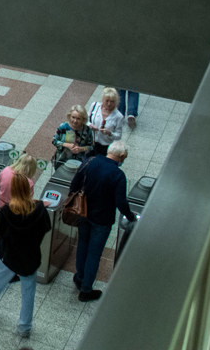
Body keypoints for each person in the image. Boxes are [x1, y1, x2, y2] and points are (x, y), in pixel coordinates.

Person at [0, 173, 52, 339]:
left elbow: (0, 234)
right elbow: (45, 229)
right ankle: (24, 327)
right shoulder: (40, 210)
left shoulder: (7, 211)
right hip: (30, 258)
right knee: (28, 293)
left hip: (8, 257)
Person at [69, 141, 137, 302]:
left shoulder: (89, 162)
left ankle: (80, 277)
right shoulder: (118, 175)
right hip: (102, 219)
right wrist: (130, 216)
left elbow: (74, 185)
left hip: (83, 212)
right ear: (121, 157)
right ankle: (86, 290)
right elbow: (121, 202)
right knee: (94, 253)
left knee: (83, 246)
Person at [87, 87, 124, 157]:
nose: (109, 104)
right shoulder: (94, 106)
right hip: (90, 141)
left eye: (112, 101)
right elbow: (86, 120)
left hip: (105, 146)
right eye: (107, 101)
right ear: (103, 99)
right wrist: (90, 125)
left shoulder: (118, 116)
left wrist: (109, 133)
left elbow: (118, 136)